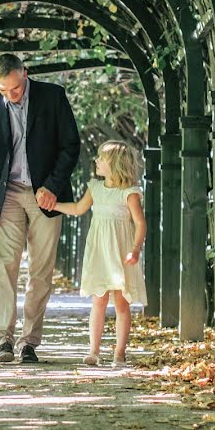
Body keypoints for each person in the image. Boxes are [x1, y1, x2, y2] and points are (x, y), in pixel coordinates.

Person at [0, 53, 80, 363]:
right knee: (5, 268)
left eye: (15, 89)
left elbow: (70, 145)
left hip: (46, 193)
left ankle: (29, 342)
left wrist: (53, 186)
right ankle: (2, 341)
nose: (9, 96)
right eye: (2, 90)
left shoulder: (53, 97)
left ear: (25, 75)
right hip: (8, 195)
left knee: (41, 271)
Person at [53, 140, 147, 368]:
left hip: (121, 253)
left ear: (114, 165)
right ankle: (93, 351)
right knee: (99, 300)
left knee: (122, 304)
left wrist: (135, 250)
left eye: (101, 159)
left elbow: (140, 224)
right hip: (99, 252)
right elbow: (77, 209)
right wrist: (53, 205)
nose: (96, 161)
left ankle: (119, 353)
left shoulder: (129, 193)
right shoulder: (95, 188)